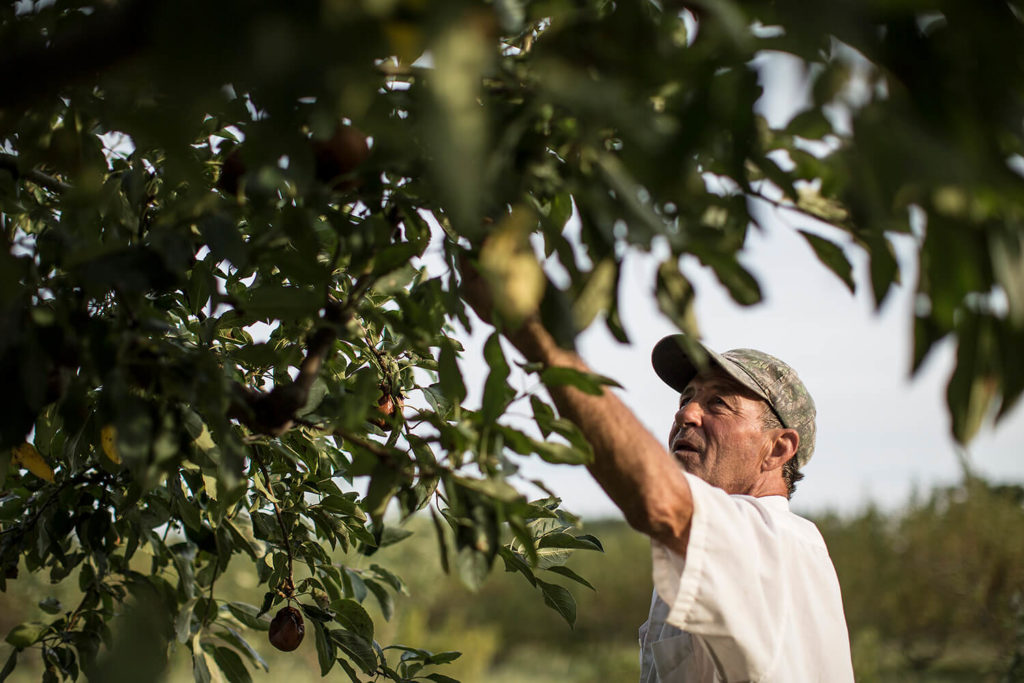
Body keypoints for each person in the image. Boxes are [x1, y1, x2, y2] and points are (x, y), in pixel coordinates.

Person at [476, 298, 855, 681]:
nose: (685, 414)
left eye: (719, 403)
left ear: (777, 449)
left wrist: (542, 343)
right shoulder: (743, 547)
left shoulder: (767, 540)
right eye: (686, 398)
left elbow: (657, 498)